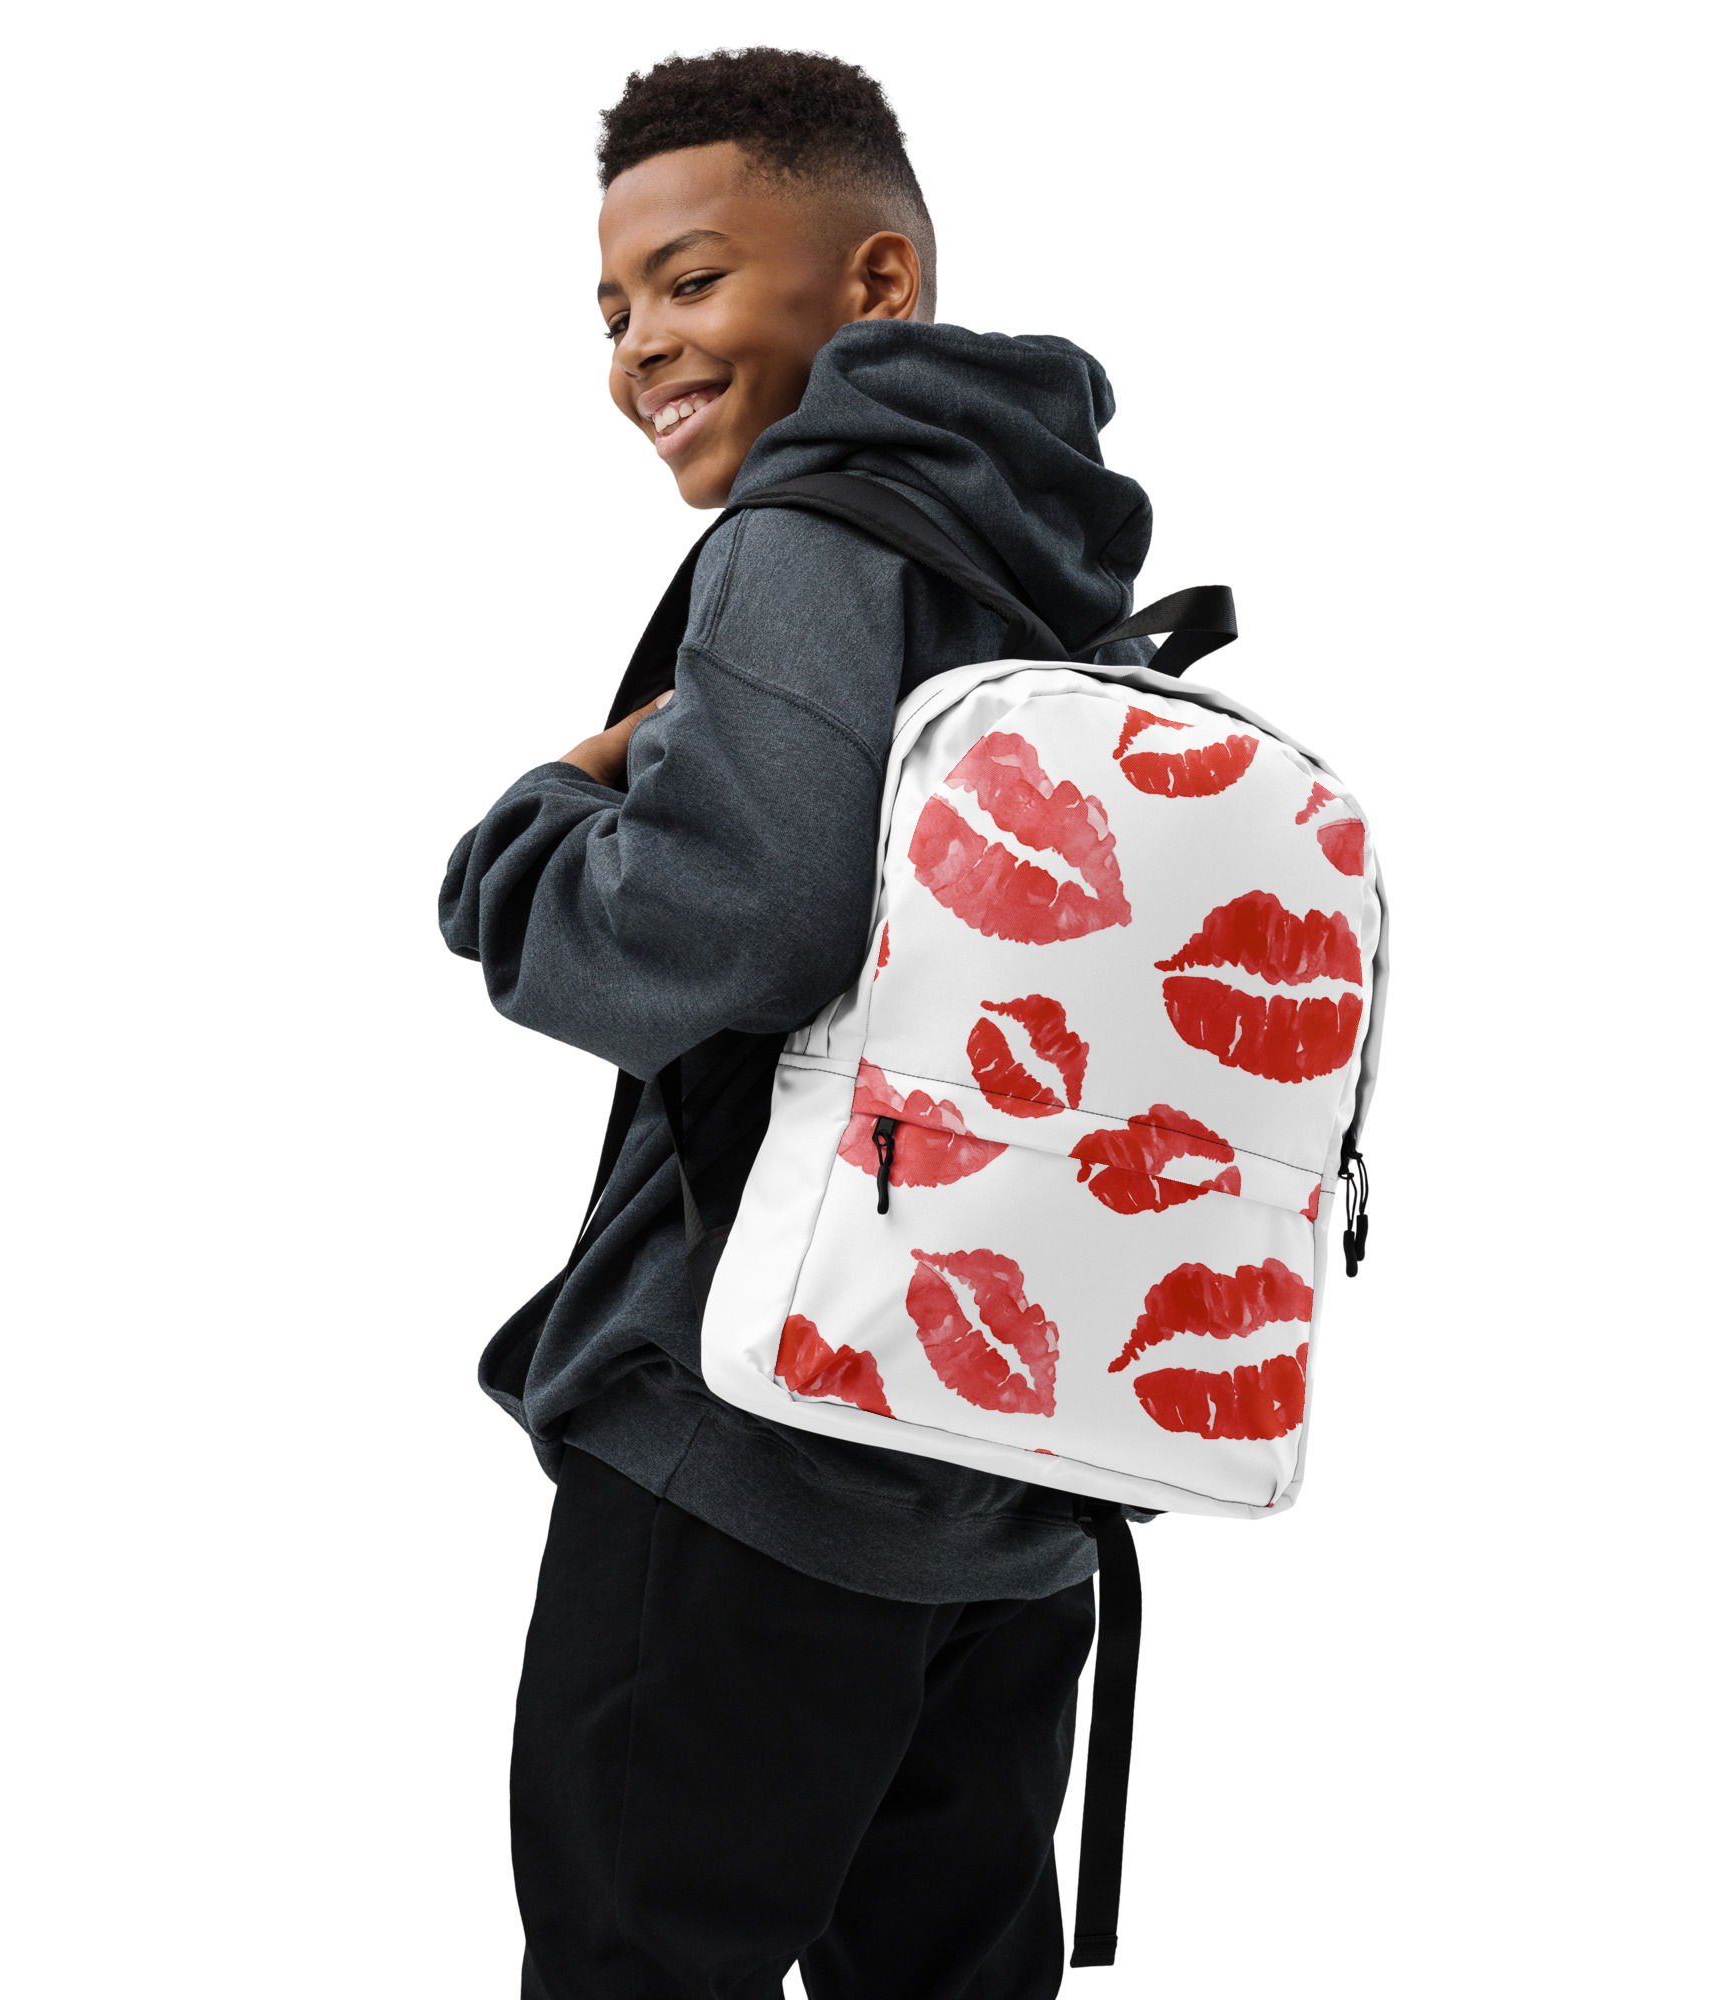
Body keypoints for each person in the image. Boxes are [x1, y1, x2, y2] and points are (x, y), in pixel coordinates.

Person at [440, 48, 1156, 2000]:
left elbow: (729, 925)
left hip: (751, 1445)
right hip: (1007, 1459)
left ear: (874, 282)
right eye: (612, 310)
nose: (640, 348)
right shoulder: (1054, 575)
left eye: (689, 279)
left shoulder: (812, 536)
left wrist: (531, 831)